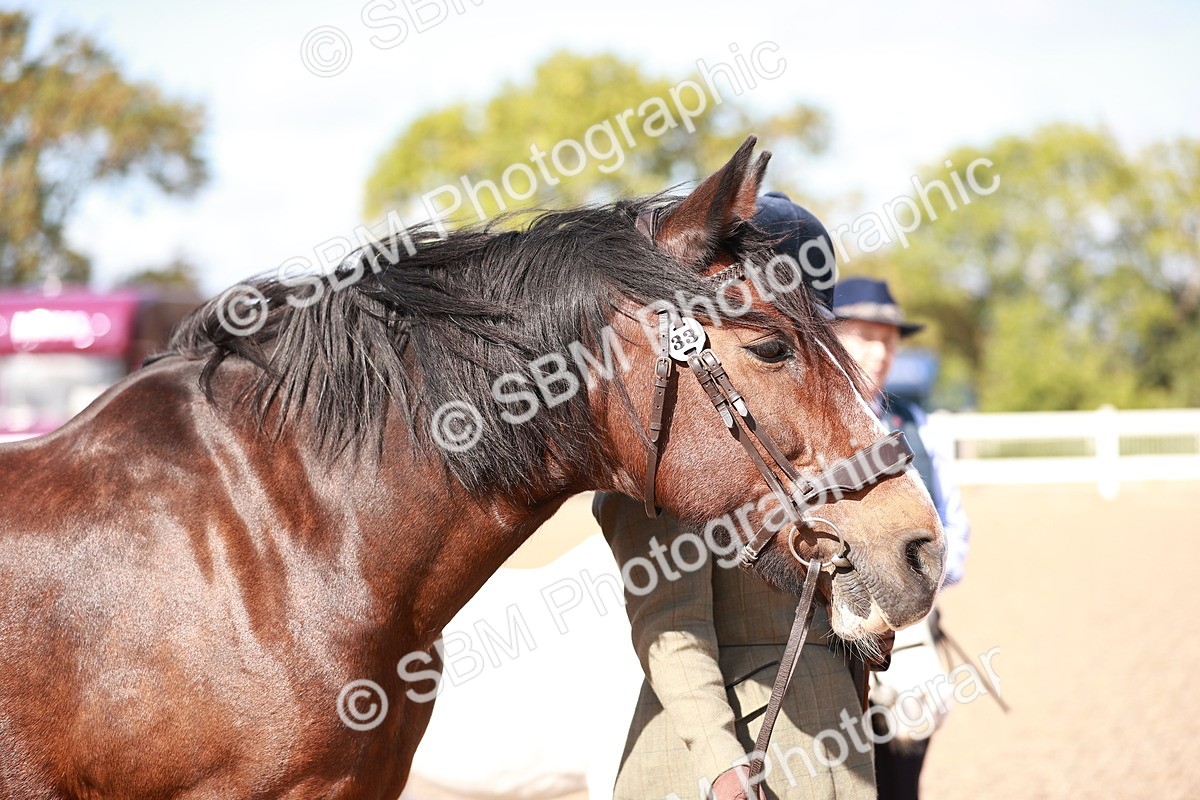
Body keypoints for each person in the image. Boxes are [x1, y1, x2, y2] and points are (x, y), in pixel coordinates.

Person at [593, 192, 878, 800]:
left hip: (832, 735)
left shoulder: (795, 447)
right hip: (732, 752)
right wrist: (722, 762)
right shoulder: (667, 445)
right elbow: (670, 626)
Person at [828, 277, 971, 800]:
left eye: (889, 339)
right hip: (835, 634)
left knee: (903, 778)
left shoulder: (916, 423)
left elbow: (955, 526)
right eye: (865, 336)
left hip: (911, 630)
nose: (881, 352)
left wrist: (923, 576)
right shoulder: (810, 427)